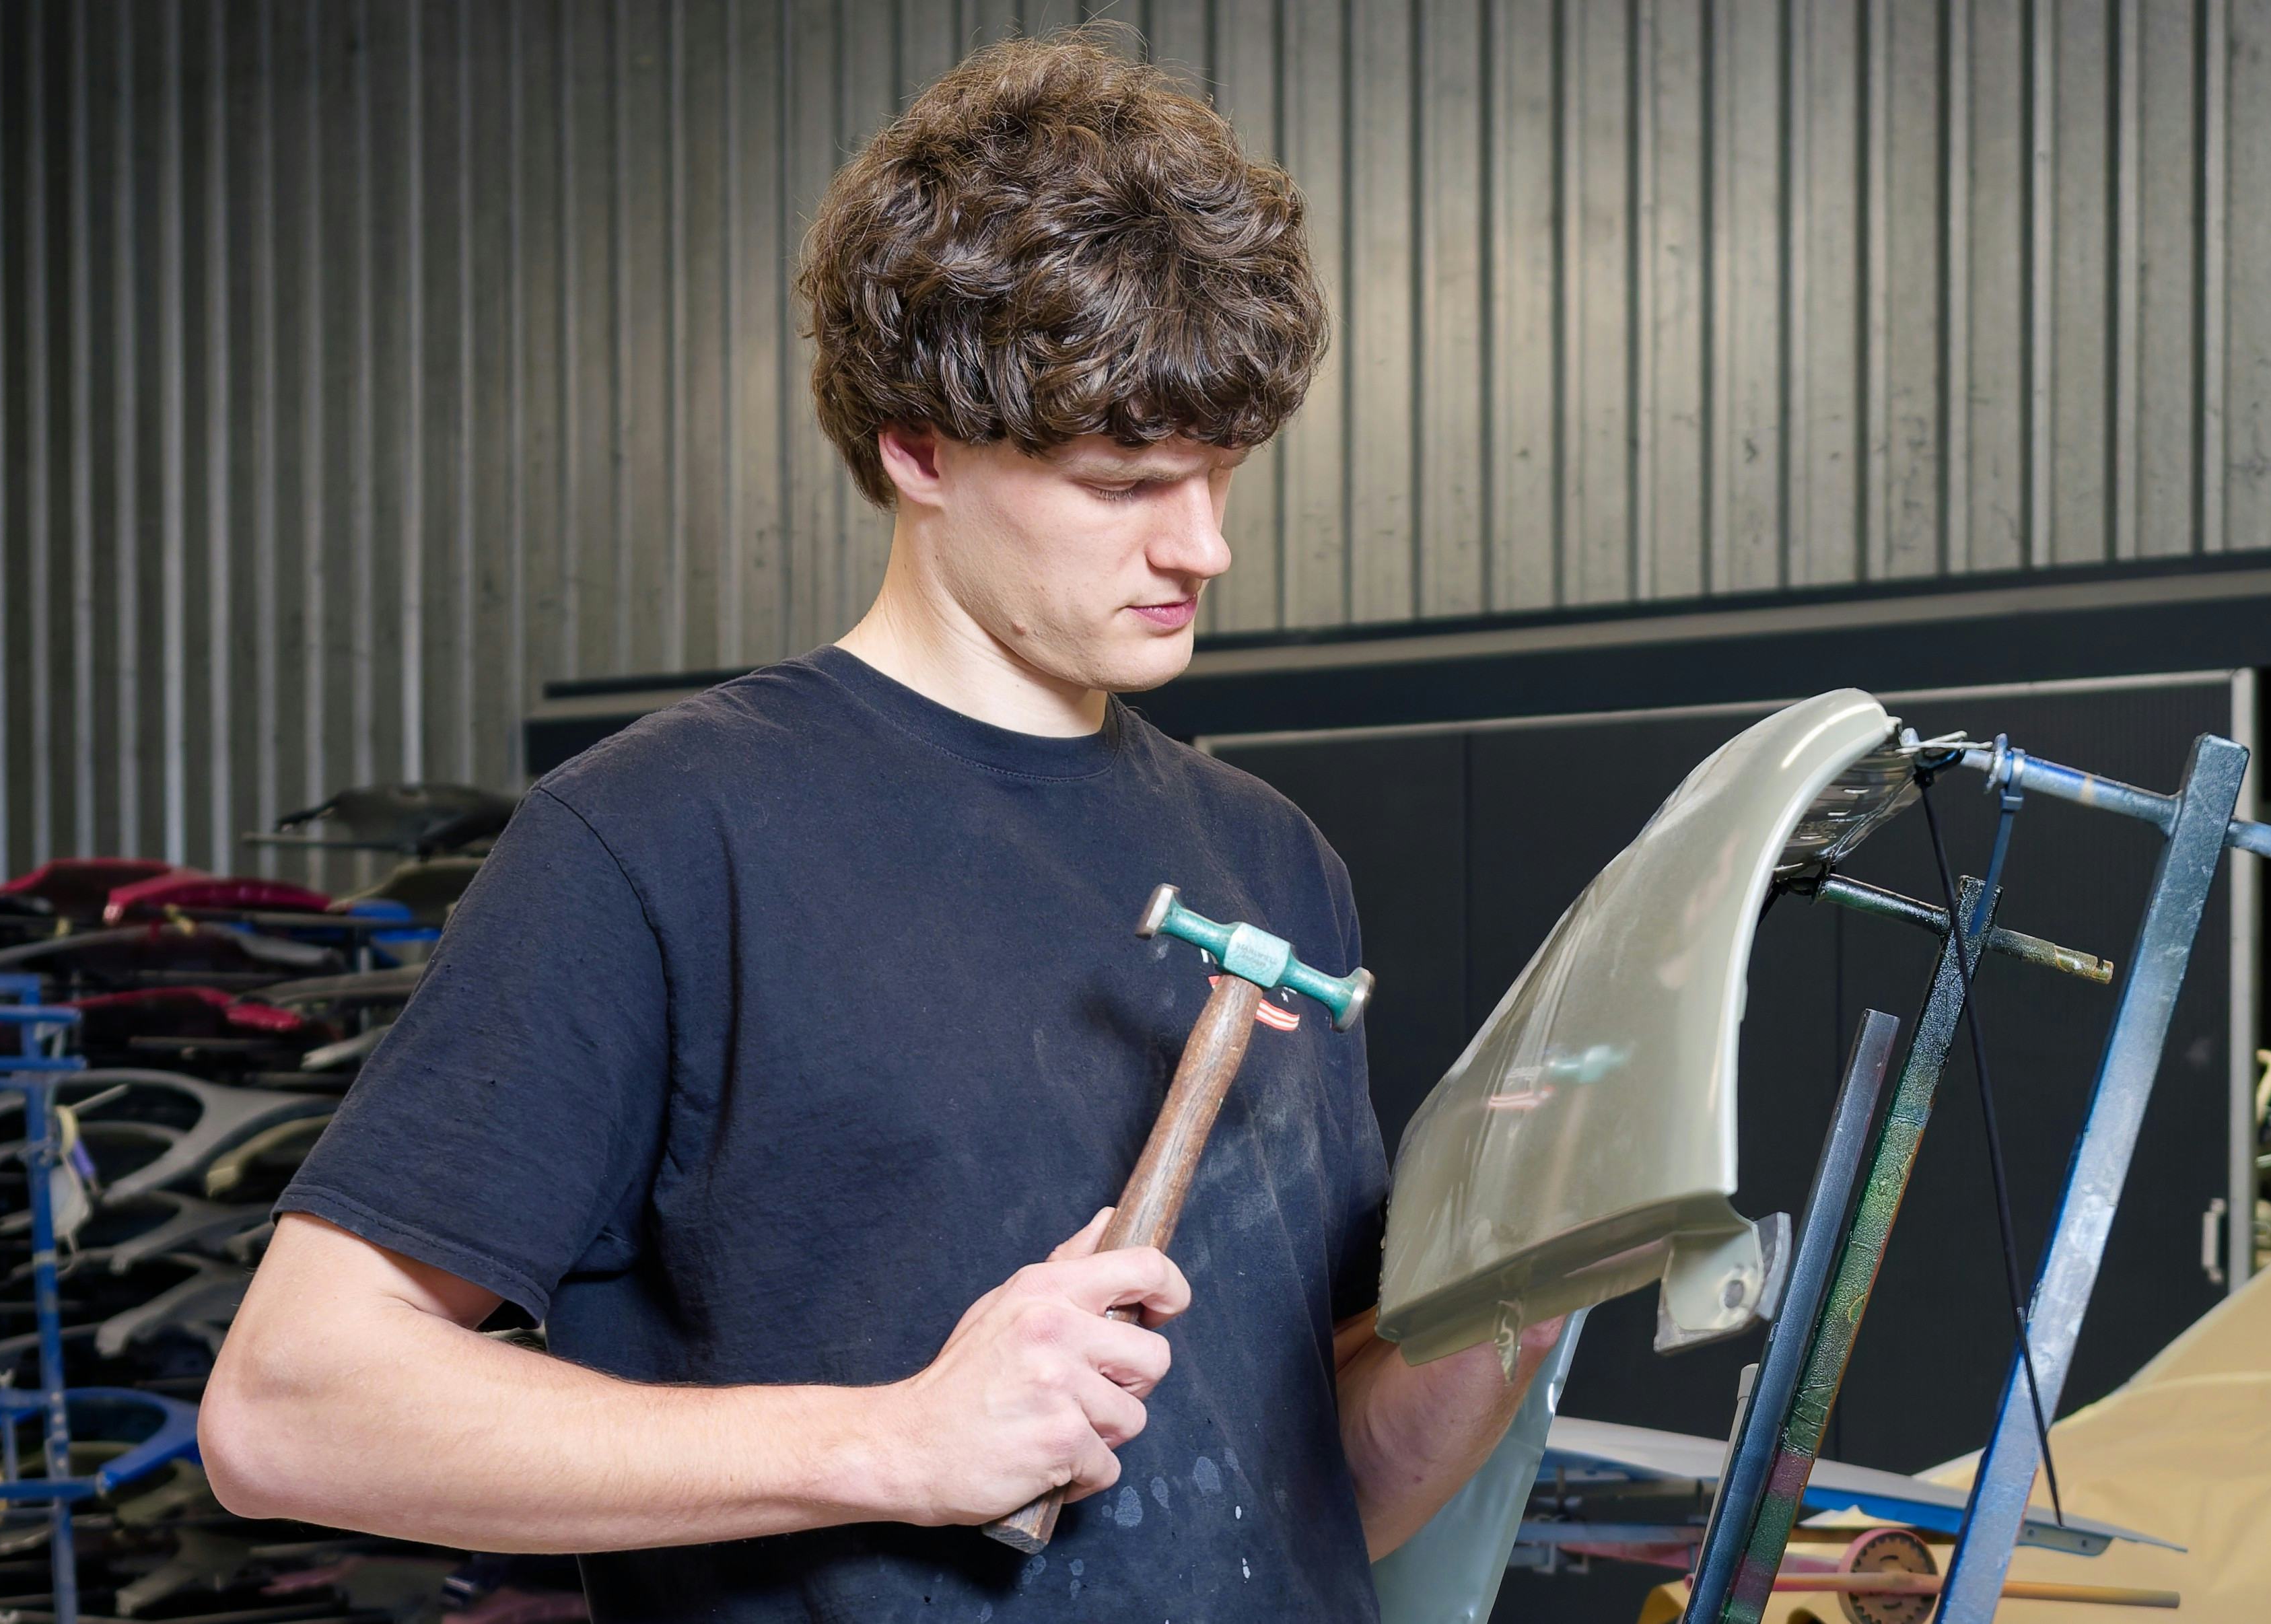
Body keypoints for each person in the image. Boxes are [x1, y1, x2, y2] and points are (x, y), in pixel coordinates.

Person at [203, 32, 1558, 1621]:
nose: (1205, 548)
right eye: (1126, 482)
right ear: (920, 448)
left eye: (1222, 474)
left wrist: (1517, 1300)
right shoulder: (660, 842)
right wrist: (900, 1441)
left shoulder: (1274, 864)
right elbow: (289, 1409)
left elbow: (1322, 1499)